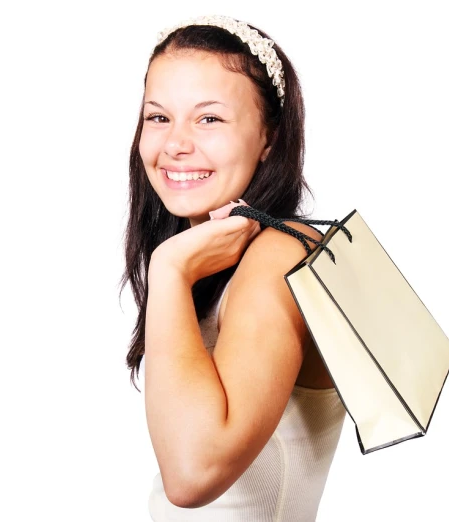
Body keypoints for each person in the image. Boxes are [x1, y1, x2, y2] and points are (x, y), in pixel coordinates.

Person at [119, 16, 347, 521]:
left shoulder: (280, 257)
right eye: (158, 117)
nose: (175, 143)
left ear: (269, 136)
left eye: (209, 119)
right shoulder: (214, 257)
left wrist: (169, 269)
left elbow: (192, 474)